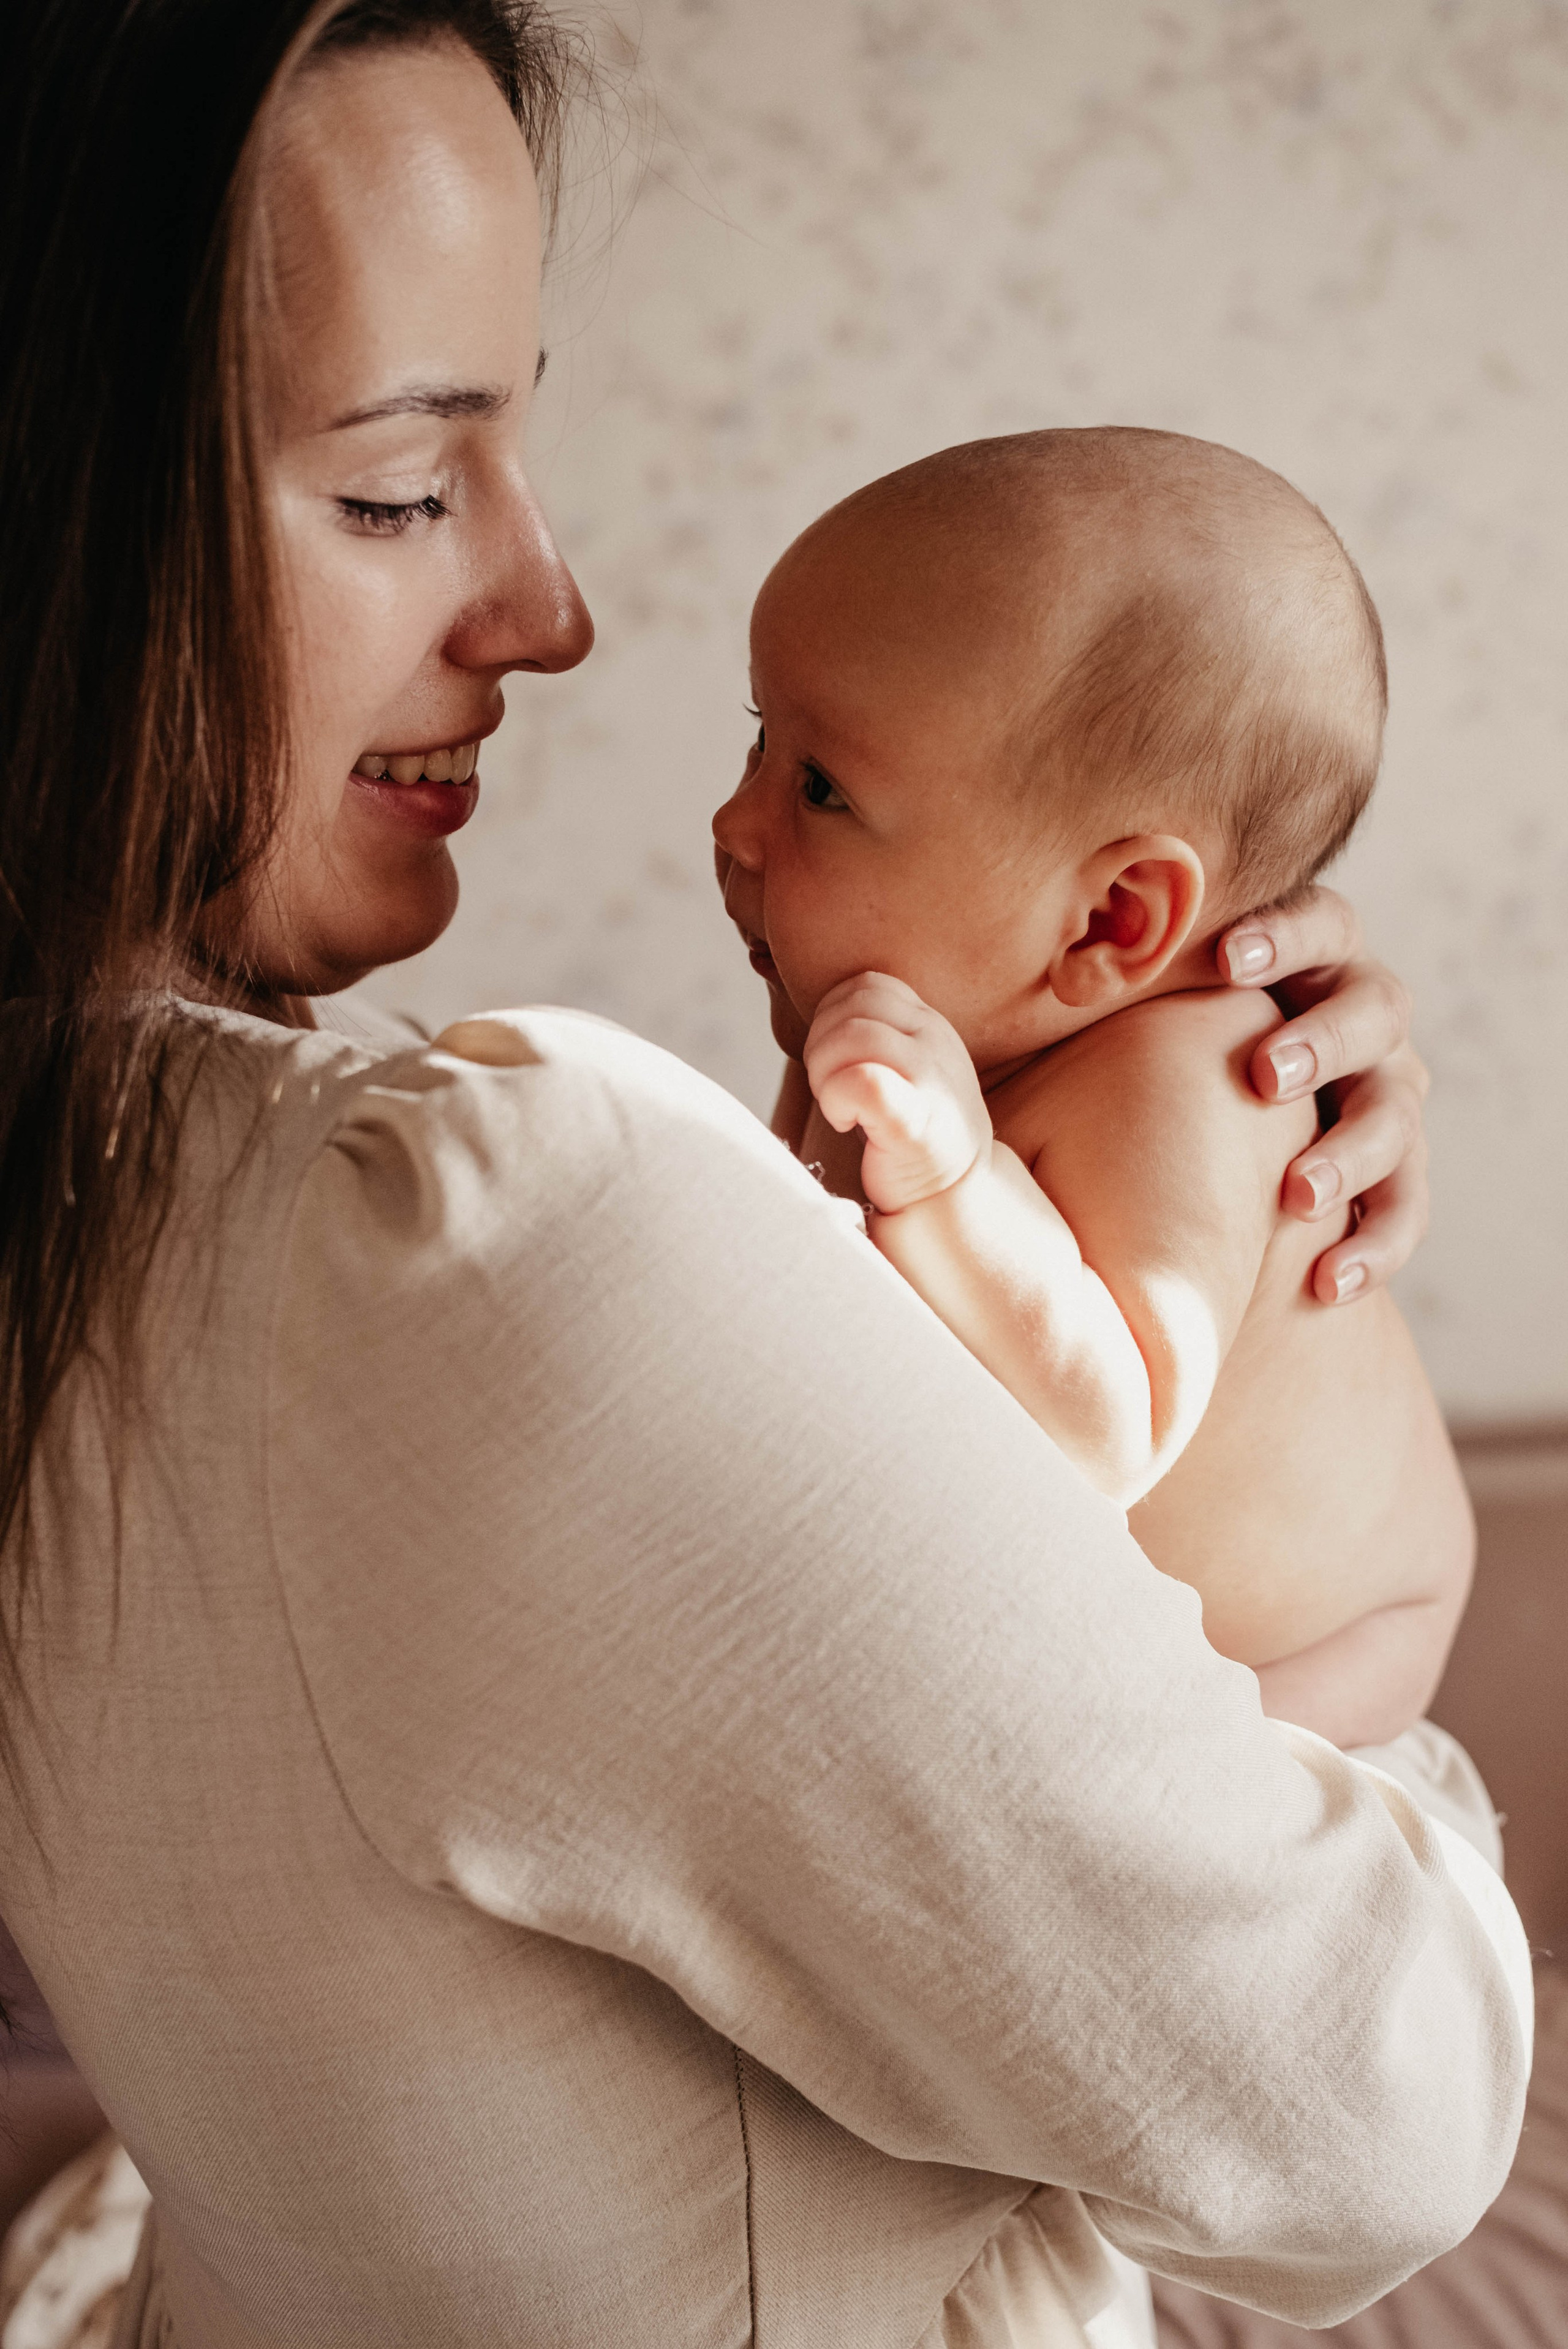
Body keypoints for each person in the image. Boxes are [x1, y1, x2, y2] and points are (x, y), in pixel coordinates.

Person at [0, 4, 1529, 2347]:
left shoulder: (90, 1217)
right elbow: (1384, 2106)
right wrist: (1313, 1480)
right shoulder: (487, 1240)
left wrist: (1110, 1105)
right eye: (405, 488)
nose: (548, 607)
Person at [712, 428, 1472, 1752]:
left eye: (819, 786)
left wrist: (954, 1175)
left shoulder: (1186, 1080)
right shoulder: (927, 1033)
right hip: (1094, 1638)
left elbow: (1108, 1426)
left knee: (1137, 1786)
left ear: (1110, 919)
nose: (734, 820)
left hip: (1322, 1666)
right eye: (758, 743)